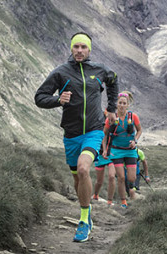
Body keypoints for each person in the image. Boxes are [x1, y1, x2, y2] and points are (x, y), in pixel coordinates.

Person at [34, 32, 119, 243]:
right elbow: (39, 98)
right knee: (77, 178)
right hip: (71, 135)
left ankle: (82, 220)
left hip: (94, 130)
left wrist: (111, 109)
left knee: (83, 169)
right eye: (76, 47)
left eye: (83, 47)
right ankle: (86, 210)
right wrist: (58, 100)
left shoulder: (99, 70)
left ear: (89, 50)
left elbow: (113, 81)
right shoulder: (60, 73)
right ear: (71, 49)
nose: (79, 51)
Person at [101, 91, 142, 208]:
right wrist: (104, 150)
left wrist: (135, 141)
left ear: (127, 105)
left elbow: (139, 130)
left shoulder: (133, 117)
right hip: (116, 150)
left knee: (131, 178)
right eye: (120, 103)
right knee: (121, 177)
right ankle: (123, 201)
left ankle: (131, 191)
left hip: (130, 151)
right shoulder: (111, 117)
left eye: (124, 103)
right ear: (116, 104)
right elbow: (104, 135)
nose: (122, 105)